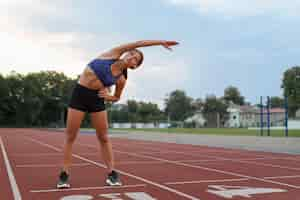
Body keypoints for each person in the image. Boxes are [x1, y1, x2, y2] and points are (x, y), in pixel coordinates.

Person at [56, 40, 179, 188]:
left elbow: (117, 97)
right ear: (127, 52)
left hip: (97, 99)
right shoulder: (113, 54)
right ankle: (64, 175)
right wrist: (160, 42)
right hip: (80, 95)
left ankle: (112, 174)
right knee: (70, 137)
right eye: (132, 53)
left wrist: (109, 97)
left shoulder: (121, 79)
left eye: (136, 59)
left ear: (134, 66)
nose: (132, 56)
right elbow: (140, 43)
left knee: (104, 138)